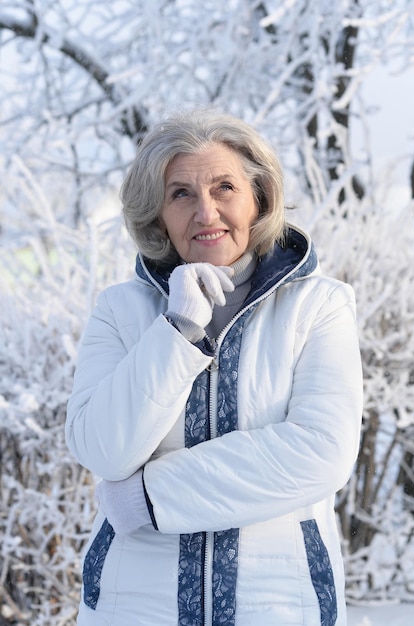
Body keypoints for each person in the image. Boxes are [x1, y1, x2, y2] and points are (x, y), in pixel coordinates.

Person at [66, 109, 363, 626]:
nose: (206, 212)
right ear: (156, 214)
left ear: (259, 199)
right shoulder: (120, 310)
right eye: (180, 194)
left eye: (224, 187)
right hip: (131, 607)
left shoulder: (320, 306)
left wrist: (147, 496)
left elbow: (321, 452)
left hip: (278, 605)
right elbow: (103, 449)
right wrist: (176, 330)